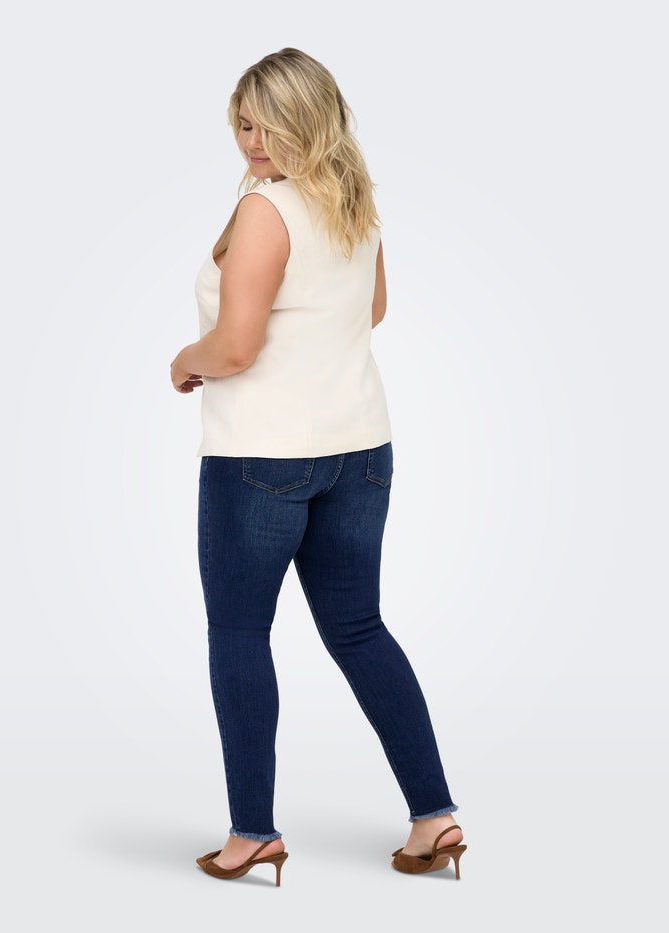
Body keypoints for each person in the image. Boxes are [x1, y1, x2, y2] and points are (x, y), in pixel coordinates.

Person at [170, 47, 466, 886]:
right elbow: (373, 308)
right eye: (242, 121)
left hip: (262, 457)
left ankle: (251, 834)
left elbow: (235, 347)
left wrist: (184, 361)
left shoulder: (265, 208)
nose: (251, 139)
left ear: (309, 120)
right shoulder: (353, 200)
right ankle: (435, 817)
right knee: (360, 628)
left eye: (267, 123)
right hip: (360, 450)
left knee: (239, 634)